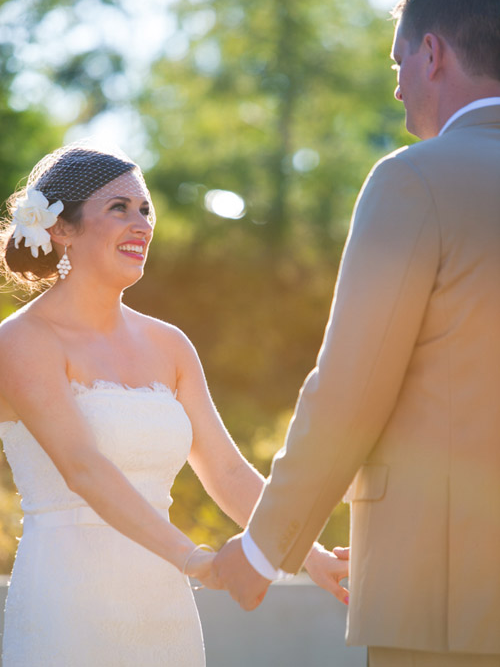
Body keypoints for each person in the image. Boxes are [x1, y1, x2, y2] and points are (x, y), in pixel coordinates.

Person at [214, 0, 500, 667]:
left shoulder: (415, 180)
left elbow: (351, 386)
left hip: (445, 599)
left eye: (400, 60)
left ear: (432, 53)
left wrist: (261, 549)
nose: (398, 86)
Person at [0, 142, 348, 666]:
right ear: (60, 229)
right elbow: (83, 469)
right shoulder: (22, 342)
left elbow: (228, 471)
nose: (141, 223)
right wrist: (195, 561)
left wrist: (310, 557)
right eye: (119, 208)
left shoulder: (170, 344)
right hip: (65, 604)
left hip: (162, 607)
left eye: (145, 209)